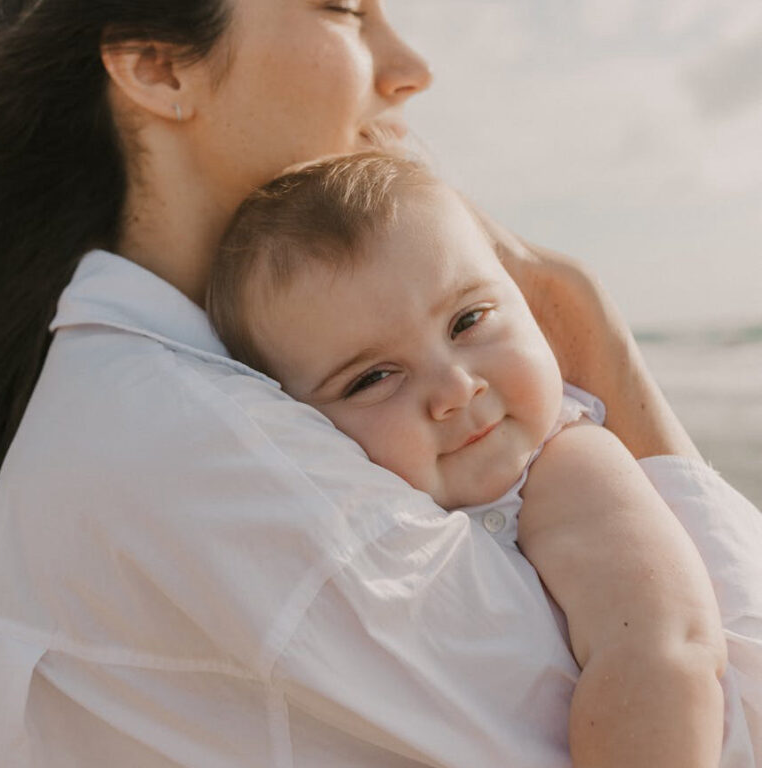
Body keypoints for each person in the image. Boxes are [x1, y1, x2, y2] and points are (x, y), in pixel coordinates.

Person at [0, 1, 760, 767]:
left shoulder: (152, 394)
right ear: (158, 69)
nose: (412, 70)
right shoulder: (216, 451)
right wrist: (590, 332)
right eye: (344, 10)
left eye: (469, 320)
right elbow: (732, 721)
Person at [206, 150, 759, 767]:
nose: (455, 388)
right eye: (373, 378)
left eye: (468, 320)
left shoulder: (567, 466)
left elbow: (662, 650)